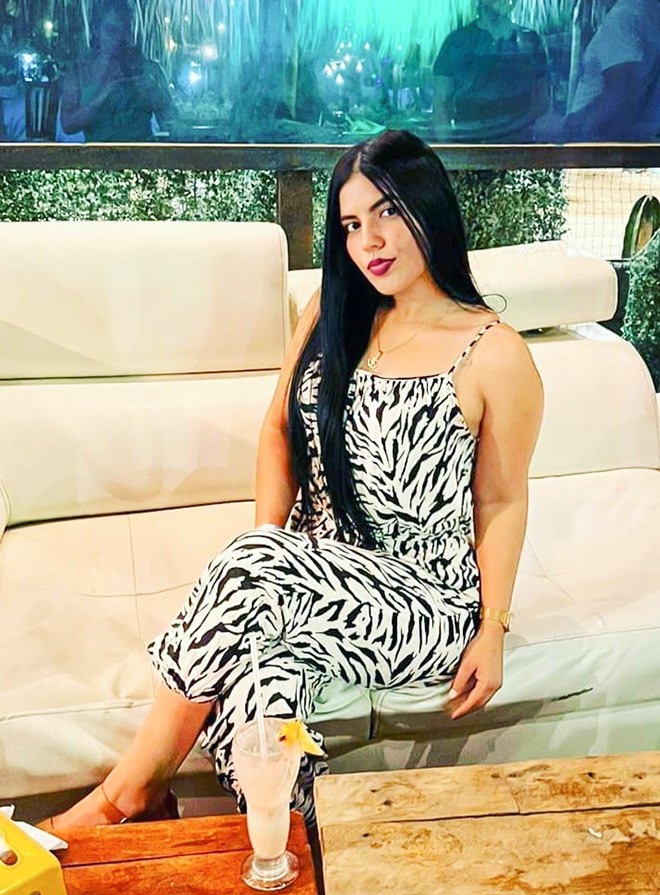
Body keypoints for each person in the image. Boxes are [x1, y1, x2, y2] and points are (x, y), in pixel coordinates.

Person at [41, 130, 543, 832]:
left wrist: (492, 629)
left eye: (388, 211)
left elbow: (502, 500)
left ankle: (127, 795)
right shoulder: (331, 314)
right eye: (351, 224)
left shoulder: (494, 354)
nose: (370, 240)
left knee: (256, 573)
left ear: (429, 205)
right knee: (258, 680)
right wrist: (269, 569)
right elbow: (278, 433)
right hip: (312, 567)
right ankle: (301, 848)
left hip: (423, 598)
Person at [59, 0, 176, 142]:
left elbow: (171, 123)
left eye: (125, 31)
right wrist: (105, 93)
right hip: (97, 155)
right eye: (111, 30)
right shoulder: (79, 73)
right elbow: (68, 124)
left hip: (142, 154)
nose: (118, 38)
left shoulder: (149, 71)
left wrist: (153, 93)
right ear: (96, 30)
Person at [432, 0, 549, 142]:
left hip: (516, 143)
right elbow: (441, 102)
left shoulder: (530, 40)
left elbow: (542, 101)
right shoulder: (456, 42)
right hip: (473, 143)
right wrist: (447, 148)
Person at [561, 0, 660, 142]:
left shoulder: (622, 18)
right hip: (628, 144)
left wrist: (568, 128)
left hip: (597, 146)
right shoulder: (644, 11)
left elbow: (619, 96)